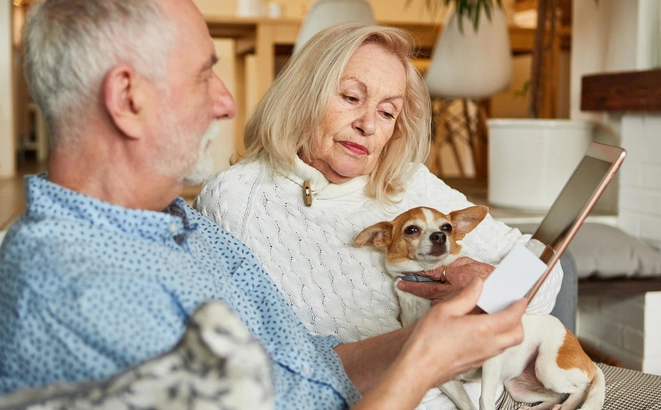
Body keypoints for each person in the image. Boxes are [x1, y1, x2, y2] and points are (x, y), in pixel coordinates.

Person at [0, 1, 529, 409]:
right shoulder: (86, 296)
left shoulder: (177, 223)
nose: (227, 101)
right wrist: (423, 366)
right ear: (127, 99)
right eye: (202, 77)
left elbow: (305, 362)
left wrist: (423, 339)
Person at [194, 22, 564, 409]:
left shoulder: (409, 183)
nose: (368, 125)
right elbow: (243, 362)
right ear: (303, 96)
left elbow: (545, 260)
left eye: (387, 112)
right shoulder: (236, 199)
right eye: (351, 98)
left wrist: (496, 290)